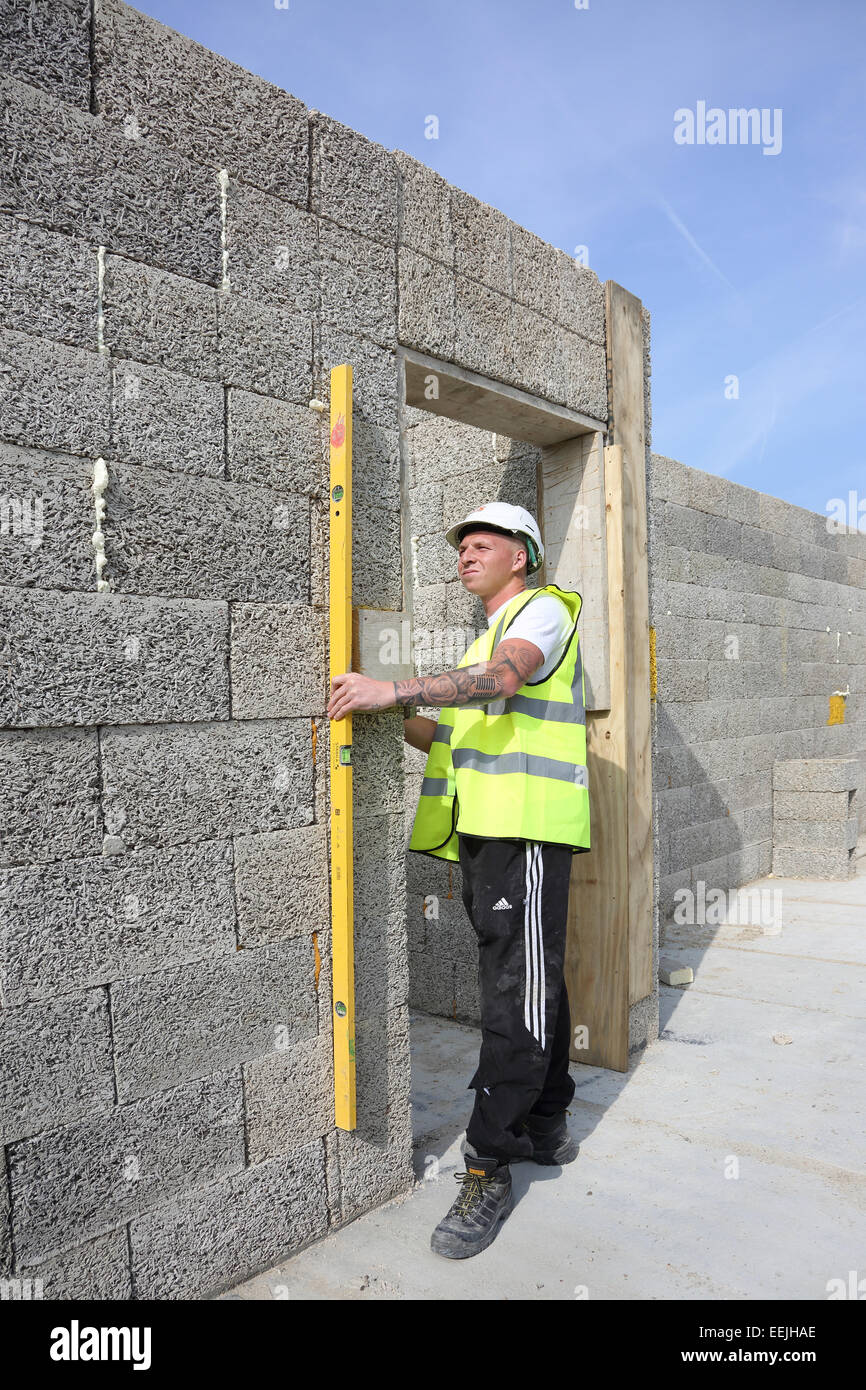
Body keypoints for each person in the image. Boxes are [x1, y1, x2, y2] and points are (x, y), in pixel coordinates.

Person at [326, 501, 590, 1260]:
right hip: (490, 834)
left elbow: (504, 680)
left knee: (516, 991)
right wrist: (376, 702)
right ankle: (546, 1121)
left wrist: (397, 688)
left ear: (524, 554)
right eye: (462, 545)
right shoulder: (485, 637)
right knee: (528, 977)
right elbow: (446, 730)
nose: (467, 553)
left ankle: (487, 1162)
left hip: (529, 829)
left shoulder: (541, 614)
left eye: (484, 542)